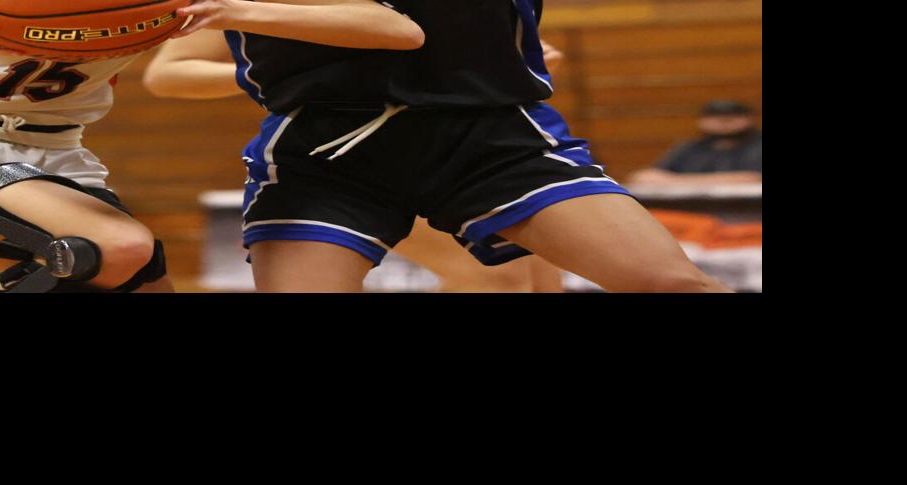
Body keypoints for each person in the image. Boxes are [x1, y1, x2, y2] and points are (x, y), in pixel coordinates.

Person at [0, 0, 421, 294]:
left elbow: (396, 28)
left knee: (132, 276)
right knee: (119, 247)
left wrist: (240, 11)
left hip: (50, 153)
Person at [170, 0, 729, 293]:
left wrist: (501, 50)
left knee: (664, 281)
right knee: (500, 277)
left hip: (485, 131)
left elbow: (410, 29)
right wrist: (247, 52)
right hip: (331, 144)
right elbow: (398, 30)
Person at [143, 28, 567, 293]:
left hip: (481, 142)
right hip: (351, 152)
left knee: (536, 279)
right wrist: (285, 77)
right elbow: (167, 72)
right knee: (497, 277)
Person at [629, 100, 762, 188]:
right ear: (701, 121)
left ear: (750, 120)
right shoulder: (690, 148)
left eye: (731, 118)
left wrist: (676, 182)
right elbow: (645, 177)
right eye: (715, 118)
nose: (723, 123)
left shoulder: (757, 146)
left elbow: (753, 179)